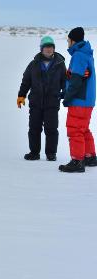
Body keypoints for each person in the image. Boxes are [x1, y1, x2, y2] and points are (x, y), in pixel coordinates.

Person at [17, 36, 66, 161]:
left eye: (51, 47)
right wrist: (21, 95)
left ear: (54, 49)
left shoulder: (60, 64)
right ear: (41, 49)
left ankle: (51, 154)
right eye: (46, 47)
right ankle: (34, 153)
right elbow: (26, 81)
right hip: (36, 102)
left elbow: (65, 82)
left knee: (51, 129)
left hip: (52, 102)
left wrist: (66, 94)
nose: (49, 49)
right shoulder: (33, 64)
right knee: (34, 128)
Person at [59, 27, 97, 172]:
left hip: (79, 99)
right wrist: (66, 93)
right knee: (83, 129)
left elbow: (76, 80)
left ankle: (77, 161)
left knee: (75, 129)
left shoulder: (79, 55)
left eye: (68, 40)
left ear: (73, 40)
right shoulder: (86, 54)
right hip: (87, 99)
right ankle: (89, 156)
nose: (68, 43)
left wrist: (67, 98)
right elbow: (78, 78)